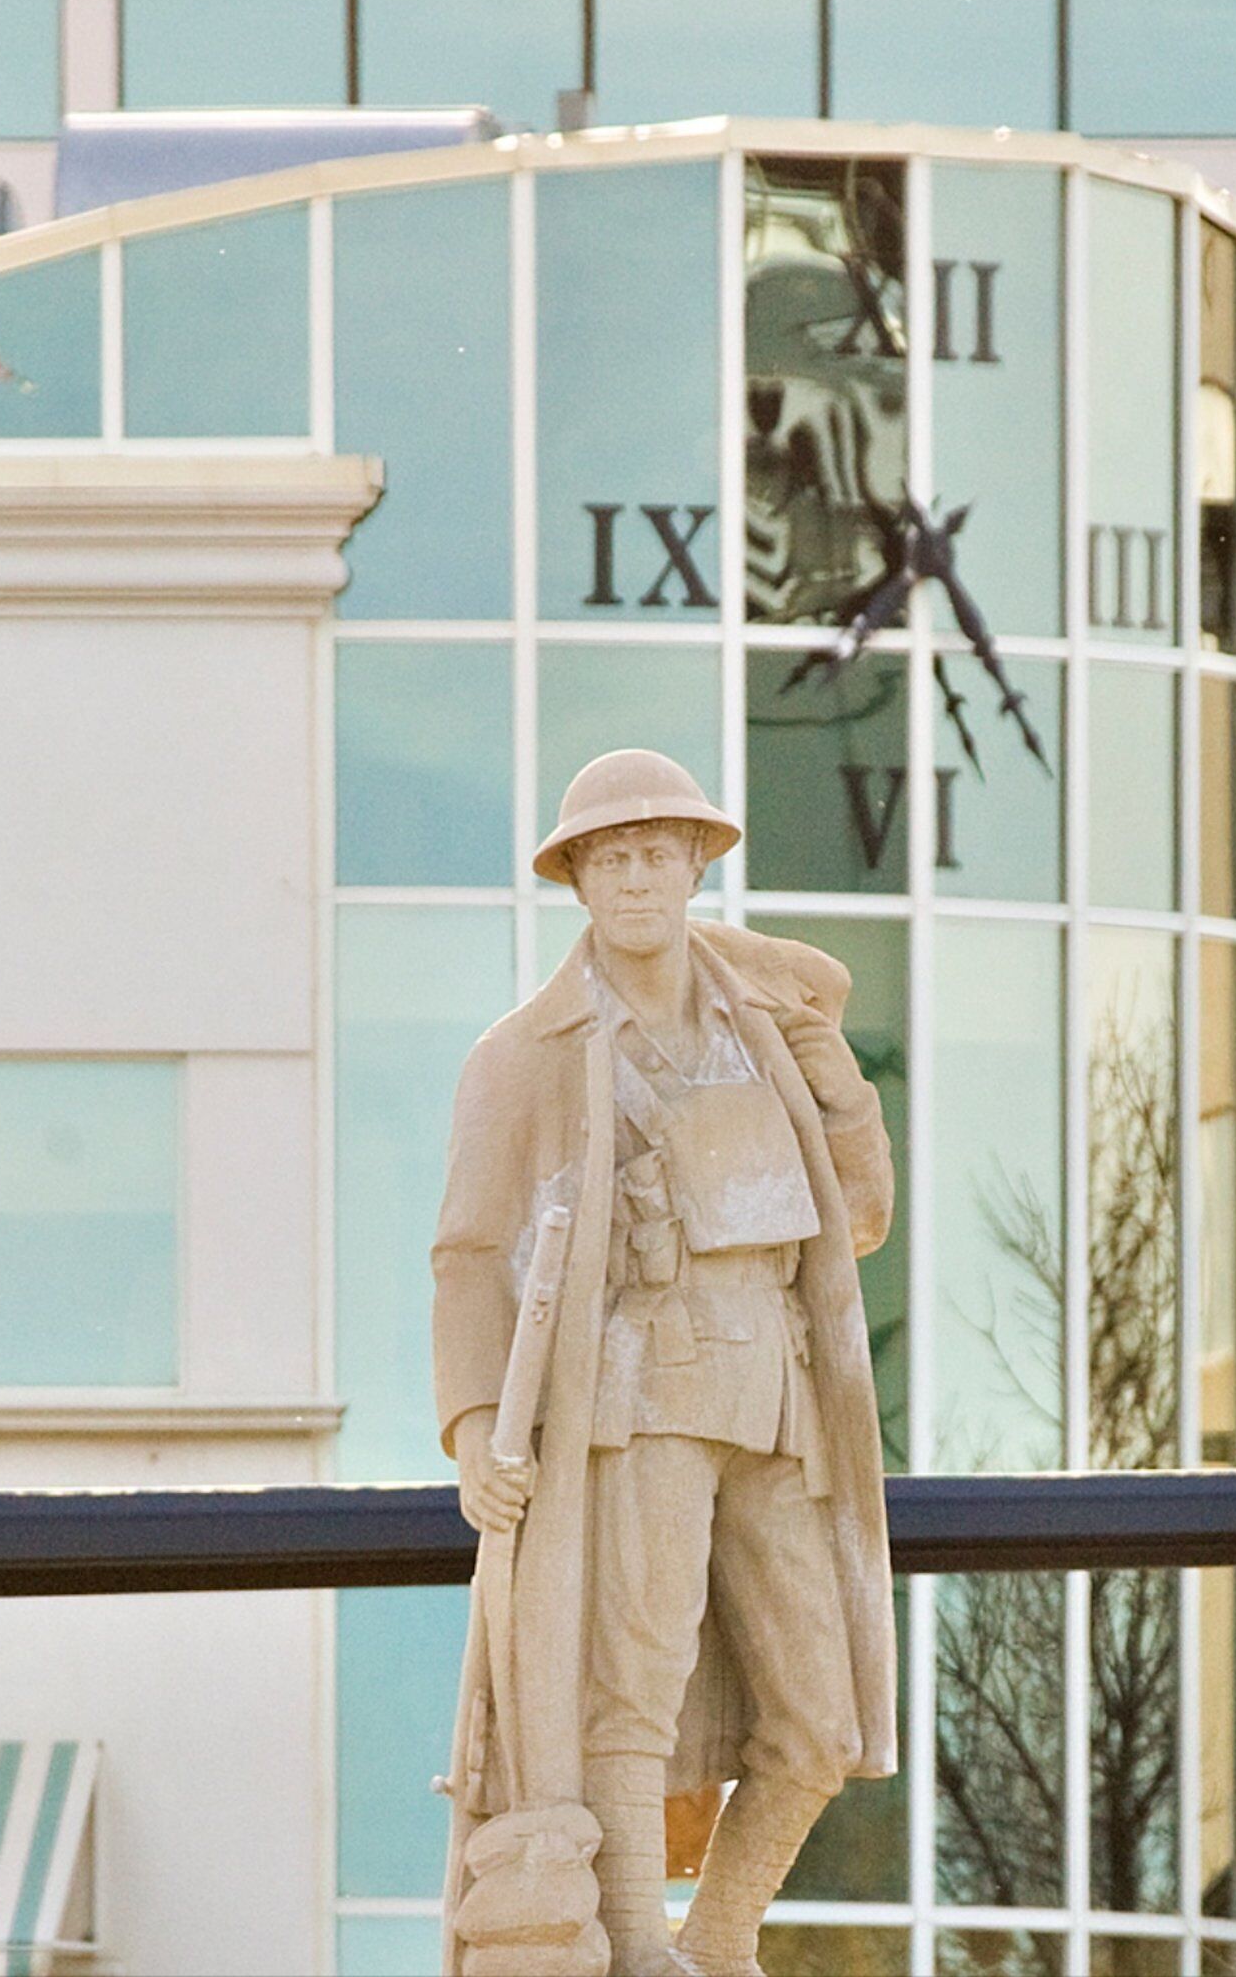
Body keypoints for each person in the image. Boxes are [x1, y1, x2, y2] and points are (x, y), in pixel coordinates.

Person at [431, 749, 898, 1977]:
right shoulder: (528, 1051)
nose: (637, 876)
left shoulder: (767, 1028)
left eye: (657, 853)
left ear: (697, 866)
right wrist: (478, 1427)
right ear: (577, 879)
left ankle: (721, 1935)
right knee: (628, 1694)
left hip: (776, 1398)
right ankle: (640, 1949)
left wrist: (841, 1086)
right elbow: (470, 1254)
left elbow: (855, 1223)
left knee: (821, 1718)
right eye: (612, 856)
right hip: (634, 1397)